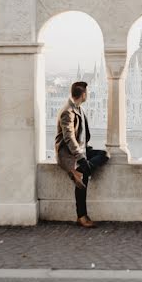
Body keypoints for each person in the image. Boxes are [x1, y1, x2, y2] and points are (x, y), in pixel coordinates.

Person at [55, 81, 109, 228]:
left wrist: (85, 160)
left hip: (83, 149)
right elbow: (69, 138)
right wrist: (81, 158)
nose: (89, 95)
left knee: (104, 154)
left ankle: (81, 170)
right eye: (88, 92)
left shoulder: (77, 108)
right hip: (71, 154)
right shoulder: (68, 111)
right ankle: (82, 216)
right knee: (82, 180)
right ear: (83, 94)